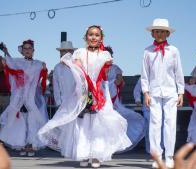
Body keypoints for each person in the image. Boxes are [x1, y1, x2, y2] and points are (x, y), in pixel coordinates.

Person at [38, 25, 131, 168]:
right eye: (90, 35)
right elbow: (78, 70)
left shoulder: (105, 55)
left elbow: (104, 75)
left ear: (101, 38)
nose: (93, 37)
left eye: (97, 35)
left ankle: (96, 155)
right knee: (82, 122)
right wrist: (73, 65)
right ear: (86, 37)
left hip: (99, 91)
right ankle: (83, 153)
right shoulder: (80, 53)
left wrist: (97, 86)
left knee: (97, 123)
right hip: (83, 91)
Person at [141, 18, 185, 168]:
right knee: (154, 123)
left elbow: (178, 72)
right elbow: (144, 74)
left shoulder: (174, 51)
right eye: (157, 31)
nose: (159, 34)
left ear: (168, 34)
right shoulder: (147, 51)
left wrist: (181, 92)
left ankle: (169, 156)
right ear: (152, 34)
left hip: (170, 91)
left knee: (170, 124)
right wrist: (145, 92)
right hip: (153, 91)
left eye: (163, 31)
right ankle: (157, 157)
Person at [0, 40, 48, 156]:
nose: (27, 50)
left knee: (32, 120)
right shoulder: (18, 62)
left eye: (29, 48)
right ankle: (23, 144)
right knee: (21, 121)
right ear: (22, 51)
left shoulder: (38, 64)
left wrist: (44, 69)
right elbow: (9, 64)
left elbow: (42, 78)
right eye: (25, 48)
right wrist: (5, 60)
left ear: (33, 50)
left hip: (32, 97)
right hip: (19, 98)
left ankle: (31, 144)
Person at [105, 46, 145, 152]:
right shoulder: (97, 67)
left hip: (113, 100)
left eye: (108, 55)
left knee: (114, 122)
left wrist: (116, 81)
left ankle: (112, 146)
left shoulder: (115, 68)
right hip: (101, 99)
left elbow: (120, 81)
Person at [53, 41, 77, 107]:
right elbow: (56, 87)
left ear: (72, 52)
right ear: (61, 53)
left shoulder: (77, 66)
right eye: (64, 51)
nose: (66, 53)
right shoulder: (57, 68)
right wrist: (58, 102)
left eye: (68, 51)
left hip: (76, 103)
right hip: (62, 103)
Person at [133, 77, 150, 154]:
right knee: (149, 129)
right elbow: (137, 90)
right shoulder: (144, 77)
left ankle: (162, 149)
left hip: (163, 106)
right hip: (148, 106)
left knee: (162, 128)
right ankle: (150, 150)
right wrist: (138, 100)